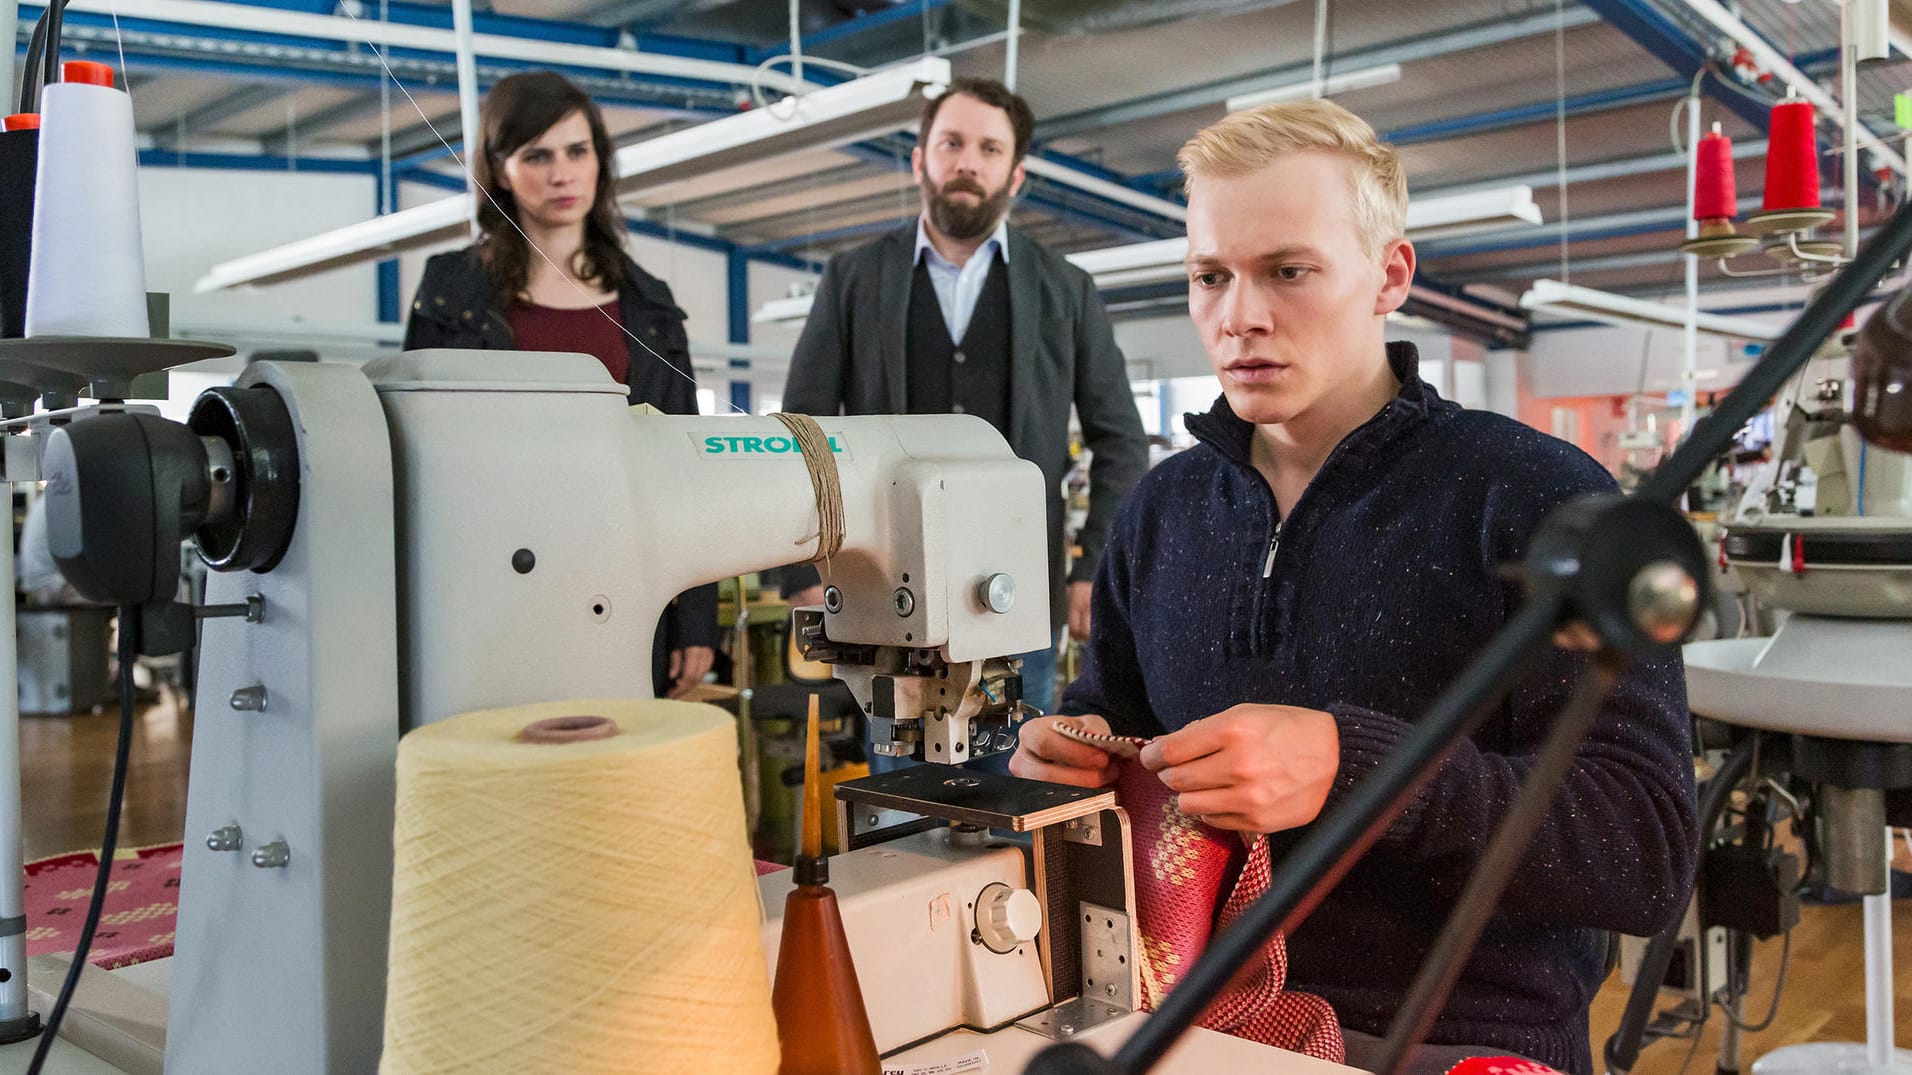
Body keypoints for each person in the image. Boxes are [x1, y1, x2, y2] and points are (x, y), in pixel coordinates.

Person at [1010, 100, 1697, 1075]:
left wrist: (1358, 771)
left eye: (1287, 271)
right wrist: (1069, 759)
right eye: (1209, 277)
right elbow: (1107, 707)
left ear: (1390, 276)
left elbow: (1645, 848)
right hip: (1193, 1019)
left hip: (1457, 1038)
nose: (1238, 315)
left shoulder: (1539, 499)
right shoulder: (1160, 511)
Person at [780, 76, 1147, 723]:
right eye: (950, 143)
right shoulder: (852, 279)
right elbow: (799, 432)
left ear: (1016, 174)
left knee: (1018, 788)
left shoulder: (1067, 290)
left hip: (1019, 597)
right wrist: (802, 568)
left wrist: (1094, 564)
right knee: (899, 797)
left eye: (988, 148)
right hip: (880, 593)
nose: (967, 162)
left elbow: (1120, 438)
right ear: (921, 159)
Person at [403, 69, 716, 700]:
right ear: (499, 171)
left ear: (600, 161)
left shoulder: (649, 303)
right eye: (536, 156)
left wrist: (694, 618)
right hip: (486, 587)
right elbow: (412, 455)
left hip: (627, 586)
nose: (561, 173)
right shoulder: (451, 291)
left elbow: (687, 467)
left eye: (577, 151)